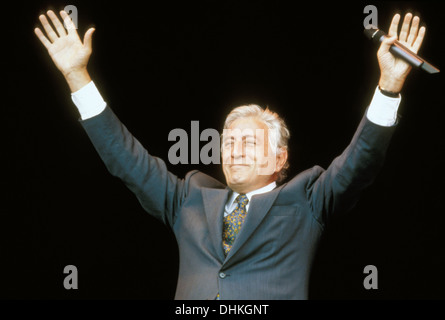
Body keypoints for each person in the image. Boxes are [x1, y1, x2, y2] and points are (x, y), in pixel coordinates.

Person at [35, 9, 426, 299]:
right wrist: (76, 77)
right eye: (228, 143)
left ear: (279, 160)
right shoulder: (188, 196)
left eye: (249, 143)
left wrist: (389, 85)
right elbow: (125, 158)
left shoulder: (308, 199)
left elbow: (361, 161)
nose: (234, 152)